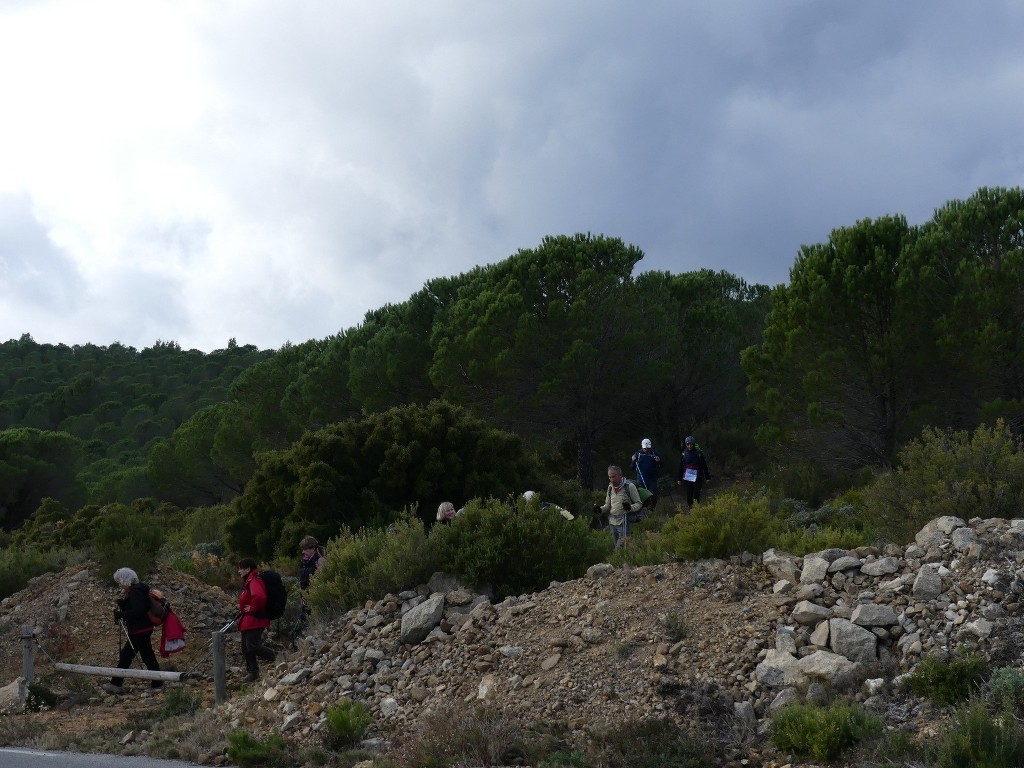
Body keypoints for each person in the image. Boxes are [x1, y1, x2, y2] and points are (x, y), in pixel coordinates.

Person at [102, 567, 162, 694]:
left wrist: (123, 614)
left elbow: (138, 610)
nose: (119, 584)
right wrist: (123, 606)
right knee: (132, 655)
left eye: (119, 580)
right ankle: (116, 683)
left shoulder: (135, 592)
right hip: (141, 629)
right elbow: (138, 608)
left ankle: (157, 683)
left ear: (125, 579)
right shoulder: (137, 590)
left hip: (140, 629)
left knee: (142, 656)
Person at [237, 558, 277, 683]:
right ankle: (253, 673)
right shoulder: (249, 581)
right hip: (248, 620)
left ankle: (276, 656)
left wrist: (252, 608)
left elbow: (260, 596)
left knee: (252, 645)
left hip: (255, 619)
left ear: (248, 569)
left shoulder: (254, 581)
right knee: (245, 647)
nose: (239, 571)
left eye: (241, 568)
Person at [596, 465, 641, 548]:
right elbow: (607, 505)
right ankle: (626, 560)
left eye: (614, 476)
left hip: (624, 521)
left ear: (620, 475)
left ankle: (624, 560)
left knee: (620, 548)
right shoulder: (610, 488)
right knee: (620, 547)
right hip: (612, 522)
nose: (612, 479)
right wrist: (600, 509)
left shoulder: (629, 486)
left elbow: (639, 504)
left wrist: (630, 508)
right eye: (610, 477)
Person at [677, 435, 711, 511]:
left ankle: (696, 509)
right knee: (689, 495)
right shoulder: (684, 454)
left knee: (696, 494)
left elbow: (704, 465)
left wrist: (707, 477)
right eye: (688, 445)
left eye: (691, 444)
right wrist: (679, 478)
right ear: (686, 445)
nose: (689, 446)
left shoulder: (699, 453)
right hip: (688, 477)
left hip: (698, 477)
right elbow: (681, 466)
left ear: (693, 444)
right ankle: (690, 507)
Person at [630, 438, 664, 511]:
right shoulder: (638, 454)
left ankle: (652, 510)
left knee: (654, 496)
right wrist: (633, 461)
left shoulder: (655, 453)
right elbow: (632, 467)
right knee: (642, 496)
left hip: (652, 479)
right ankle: (642, 511)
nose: (646, 450)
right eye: (645, 448)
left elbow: (661, 466)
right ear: (642, 447)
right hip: (641, 479)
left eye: (648, 448)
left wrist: (659, 461)